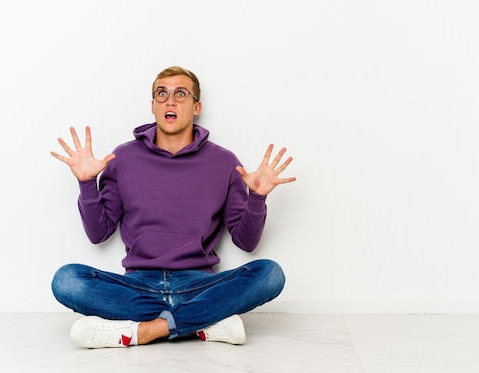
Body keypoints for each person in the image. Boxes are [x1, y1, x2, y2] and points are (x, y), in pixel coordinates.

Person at [50, 66, 296, 348]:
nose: (170, 100)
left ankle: (146, 330)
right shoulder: (123, 158)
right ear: (153, 106)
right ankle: (202, 323)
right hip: (139, 286)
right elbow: (98, 234)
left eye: (181, 93)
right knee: (67, 280)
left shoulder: (224, 162)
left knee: (270, 274)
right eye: (161, 94)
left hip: (199, 286)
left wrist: (257, 198)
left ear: (196, 106)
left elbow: (247, 242)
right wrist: (87, 184)